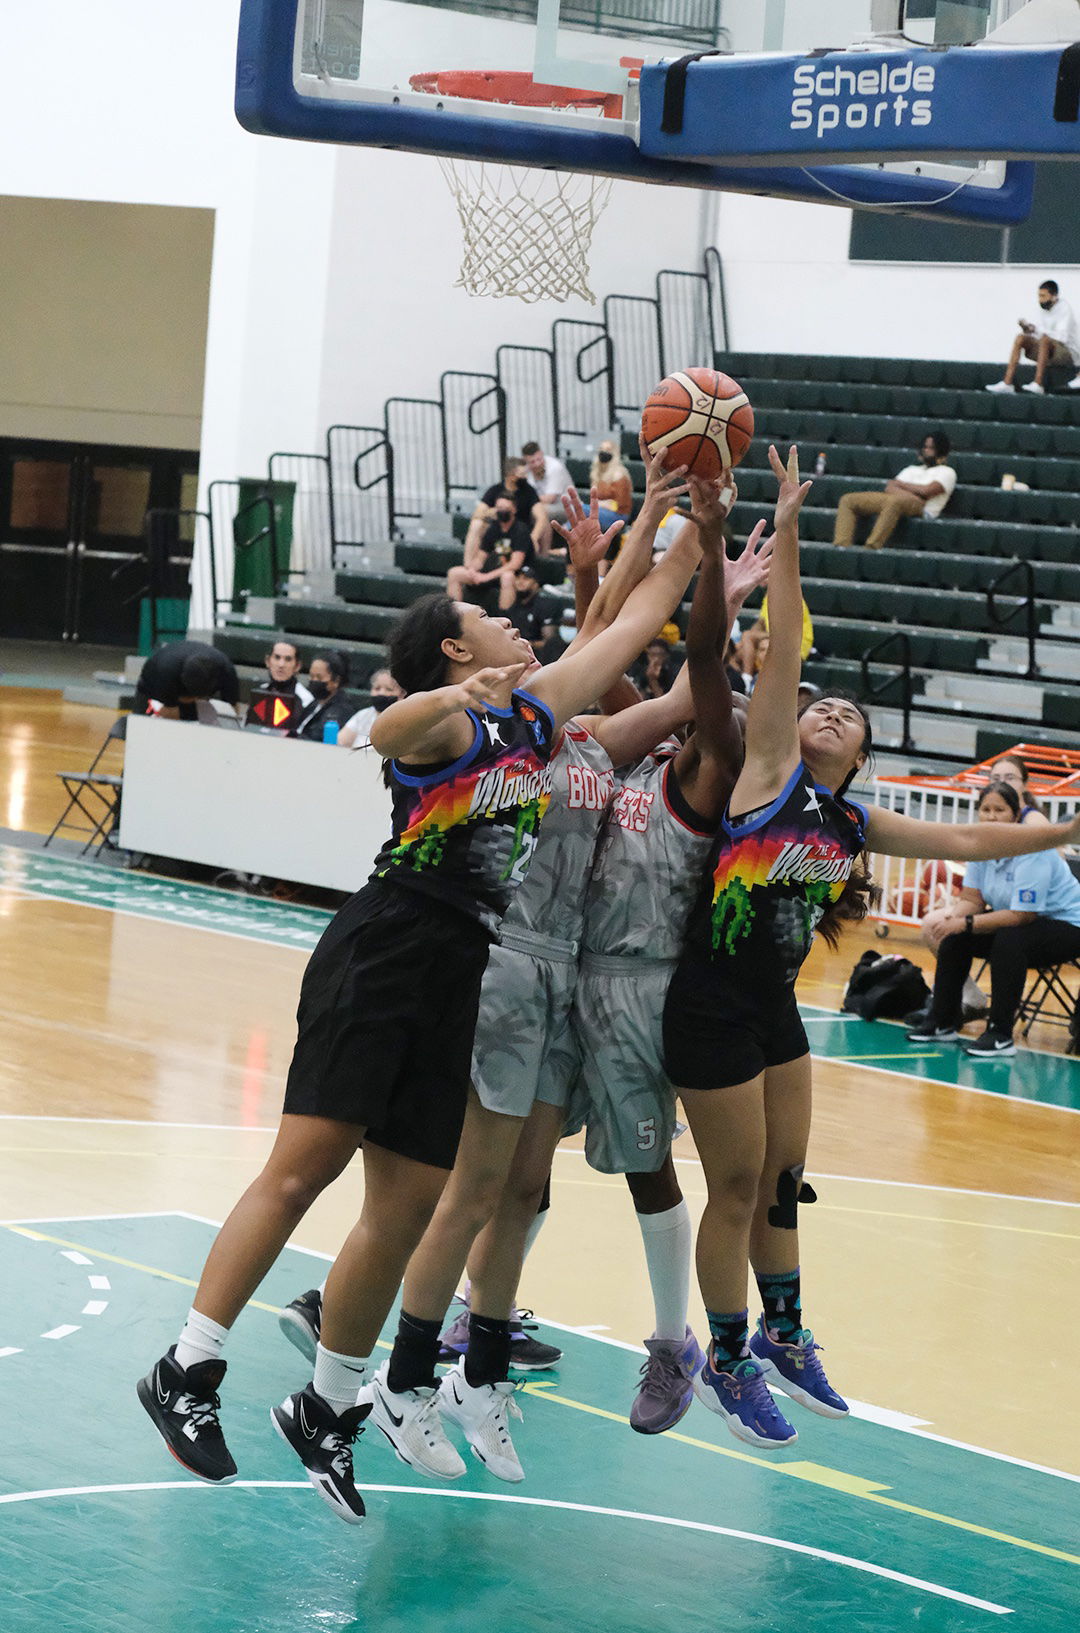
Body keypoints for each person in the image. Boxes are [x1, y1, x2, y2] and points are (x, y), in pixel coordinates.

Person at [136, 494, 724, 1525]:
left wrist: (696, 524)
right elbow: (386, 729)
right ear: (457, 645)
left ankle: (326, 1405)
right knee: (303, 1169)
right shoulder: (447, 720)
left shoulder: (534, 715)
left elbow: (633, 624)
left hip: (462, 969)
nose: (515, 625)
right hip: (386, 946)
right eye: (492, 620)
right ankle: (187, 1365)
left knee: (407, 1204)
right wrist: (452, 694)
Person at [661, 444, 1080, 1452]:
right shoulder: (769, 772)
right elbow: (784, 652)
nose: (831, 711)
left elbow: (969, 842)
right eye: (821, 705)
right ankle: (725, 1358)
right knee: (732, 1188)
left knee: (783, 1179)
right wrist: (789, 526)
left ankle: (785, 1333)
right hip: (708, 1005)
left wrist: (1067, 825)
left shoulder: (854, 824)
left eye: (848, 716)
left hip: (772, 1011)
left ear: (860, 757)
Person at [908, 779, 1080, 1057]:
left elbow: (1022, 916)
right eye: (985, 810)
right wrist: (952, 919)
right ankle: (942, 1021)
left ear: (1015, 815)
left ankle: (1000, 1034)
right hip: (1022, 923)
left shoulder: (1032, 849)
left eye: (999, 810)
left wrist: (967, 923)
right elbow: (973, 900)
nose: (991, 816)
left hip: (1069, 925)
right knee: (956, 938)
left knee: (1009, 941)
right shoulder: (982, 847)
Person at [832, 432, 956, 550]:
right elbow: (890, 487)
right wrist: (915, 495)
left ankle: (872, 546)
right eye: (925, 447)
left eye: (931, 448)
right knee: (848, 500)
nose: (926, 450)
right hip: (903, 500)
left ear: (941, 450)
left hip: (923, 509)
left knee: (894, 502)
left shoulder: (947, 472)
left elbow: (927, 491)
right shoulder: (912, 469)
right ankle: (841, 545)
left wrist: (902, 486)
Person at [985, 279, 1080, 395]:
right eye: (1039, 296)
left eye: (1043, 296)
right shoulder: (1041, 309)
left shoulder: (1065, 309)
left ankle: (1038, 384)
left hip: (1067, 354)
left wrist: (1038, 331)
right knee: (1021, 338)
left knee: (1045, 340)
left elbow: (1062, 338)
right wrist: (1029, 330)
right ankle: (1007, 383)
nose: (1040, 300)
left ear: (1054, 296)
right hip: (1047, 350)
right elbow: (1039, 333)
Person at [446, 496, 533, 614]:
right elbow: (481, 557)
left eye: (505, 508)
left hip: (517, 574)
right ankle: (455, 615)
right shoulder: (494, 528)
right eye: (499, 507)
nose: (502, 511)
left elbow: (515, 564)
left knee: (507, 577)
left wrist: (486, 577)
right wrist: (473, 570)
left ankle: (506, 618)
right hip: (492, 572)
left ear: (514, 510)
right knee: (454, 573)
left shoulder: (520, 530)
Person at [463, 457, 546, 564]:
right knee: (476, 524)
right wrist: (491, 512)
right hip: (498, 531)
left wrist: (533, 538)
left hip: (519, 532)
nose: (525, 477)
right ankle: (468, 565)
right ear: (511, 476)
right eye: (522, 474)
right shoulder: (495, 490)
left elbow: (541, 517)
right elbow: (477, 514)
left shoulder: (529, 491)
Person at [133, 641, 240, 722]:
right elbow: (170, 714)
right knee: (141, 725)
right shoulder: (166, 671)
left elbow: (232, 713)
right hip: (152, 687)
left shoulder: (227, 671)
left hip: (190, 688)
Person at [291, 651, 356, 741]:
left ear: (336, 681)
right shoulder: (315, 703)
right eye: (311, 676)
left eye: (319, 677)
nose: (314, 681)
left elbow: (318, 738)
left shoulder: (341, 710)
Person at [338, 669, 405, 749]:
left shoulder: (405, 719)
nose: (381, 693)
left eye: (389, 689)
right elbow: (340, 742)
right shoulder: (363, 715)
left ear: (402, 694)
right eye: (377, 688)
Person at [521, 440, 572, 525]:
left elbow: (550, 499)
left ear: (541, 453)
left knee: (539, 511)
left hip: (566, 506)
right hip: (540, 505)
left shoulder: (555, 467)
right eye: (532, 462)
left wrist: (526, 500)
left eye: (539, 459)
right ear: (525, 460)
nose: (537, 464)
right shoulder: (526, 470)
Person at [592, 438, 634, 537]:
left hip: (618, 515)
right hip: (601, 511)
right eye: (601, 449)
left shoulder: (619, 475)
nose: (603, 452)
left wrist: (602, 504)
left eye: (608, 450)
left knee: (581, 510)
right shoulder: (597, 474)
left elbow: (621, 505)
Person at [263, 639, 313, 711]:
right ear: (268, 661)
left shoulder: (306, 700)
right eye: (277, 657)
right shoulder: (261, 691)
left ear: (297, 666)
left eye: (288, 659)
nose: (281, 664)